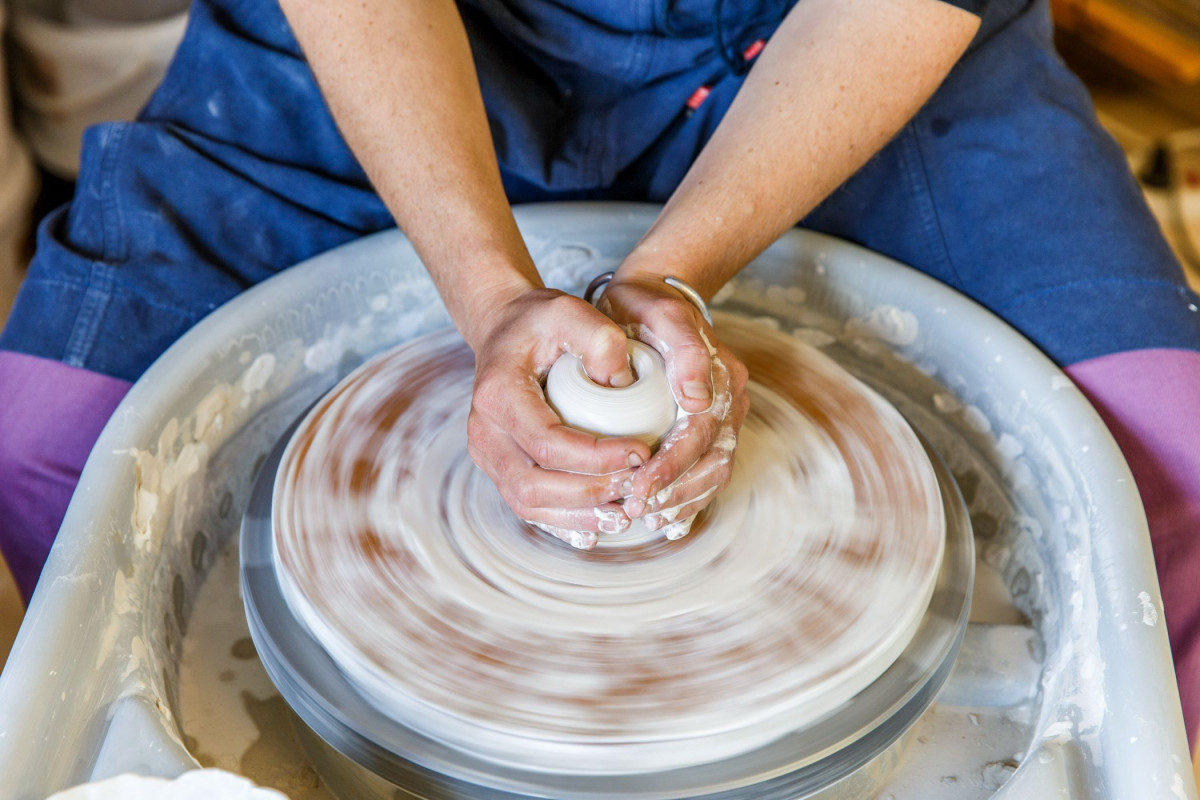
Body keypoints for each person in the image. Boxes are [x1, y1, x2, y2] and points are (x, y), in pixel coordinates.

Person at [1, 0, 1199, 760]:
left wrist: (674, 274)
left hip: (844, 41)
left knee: (1166, 456)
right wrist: (487, 294)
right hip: (427, 35)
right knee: (55, 435)